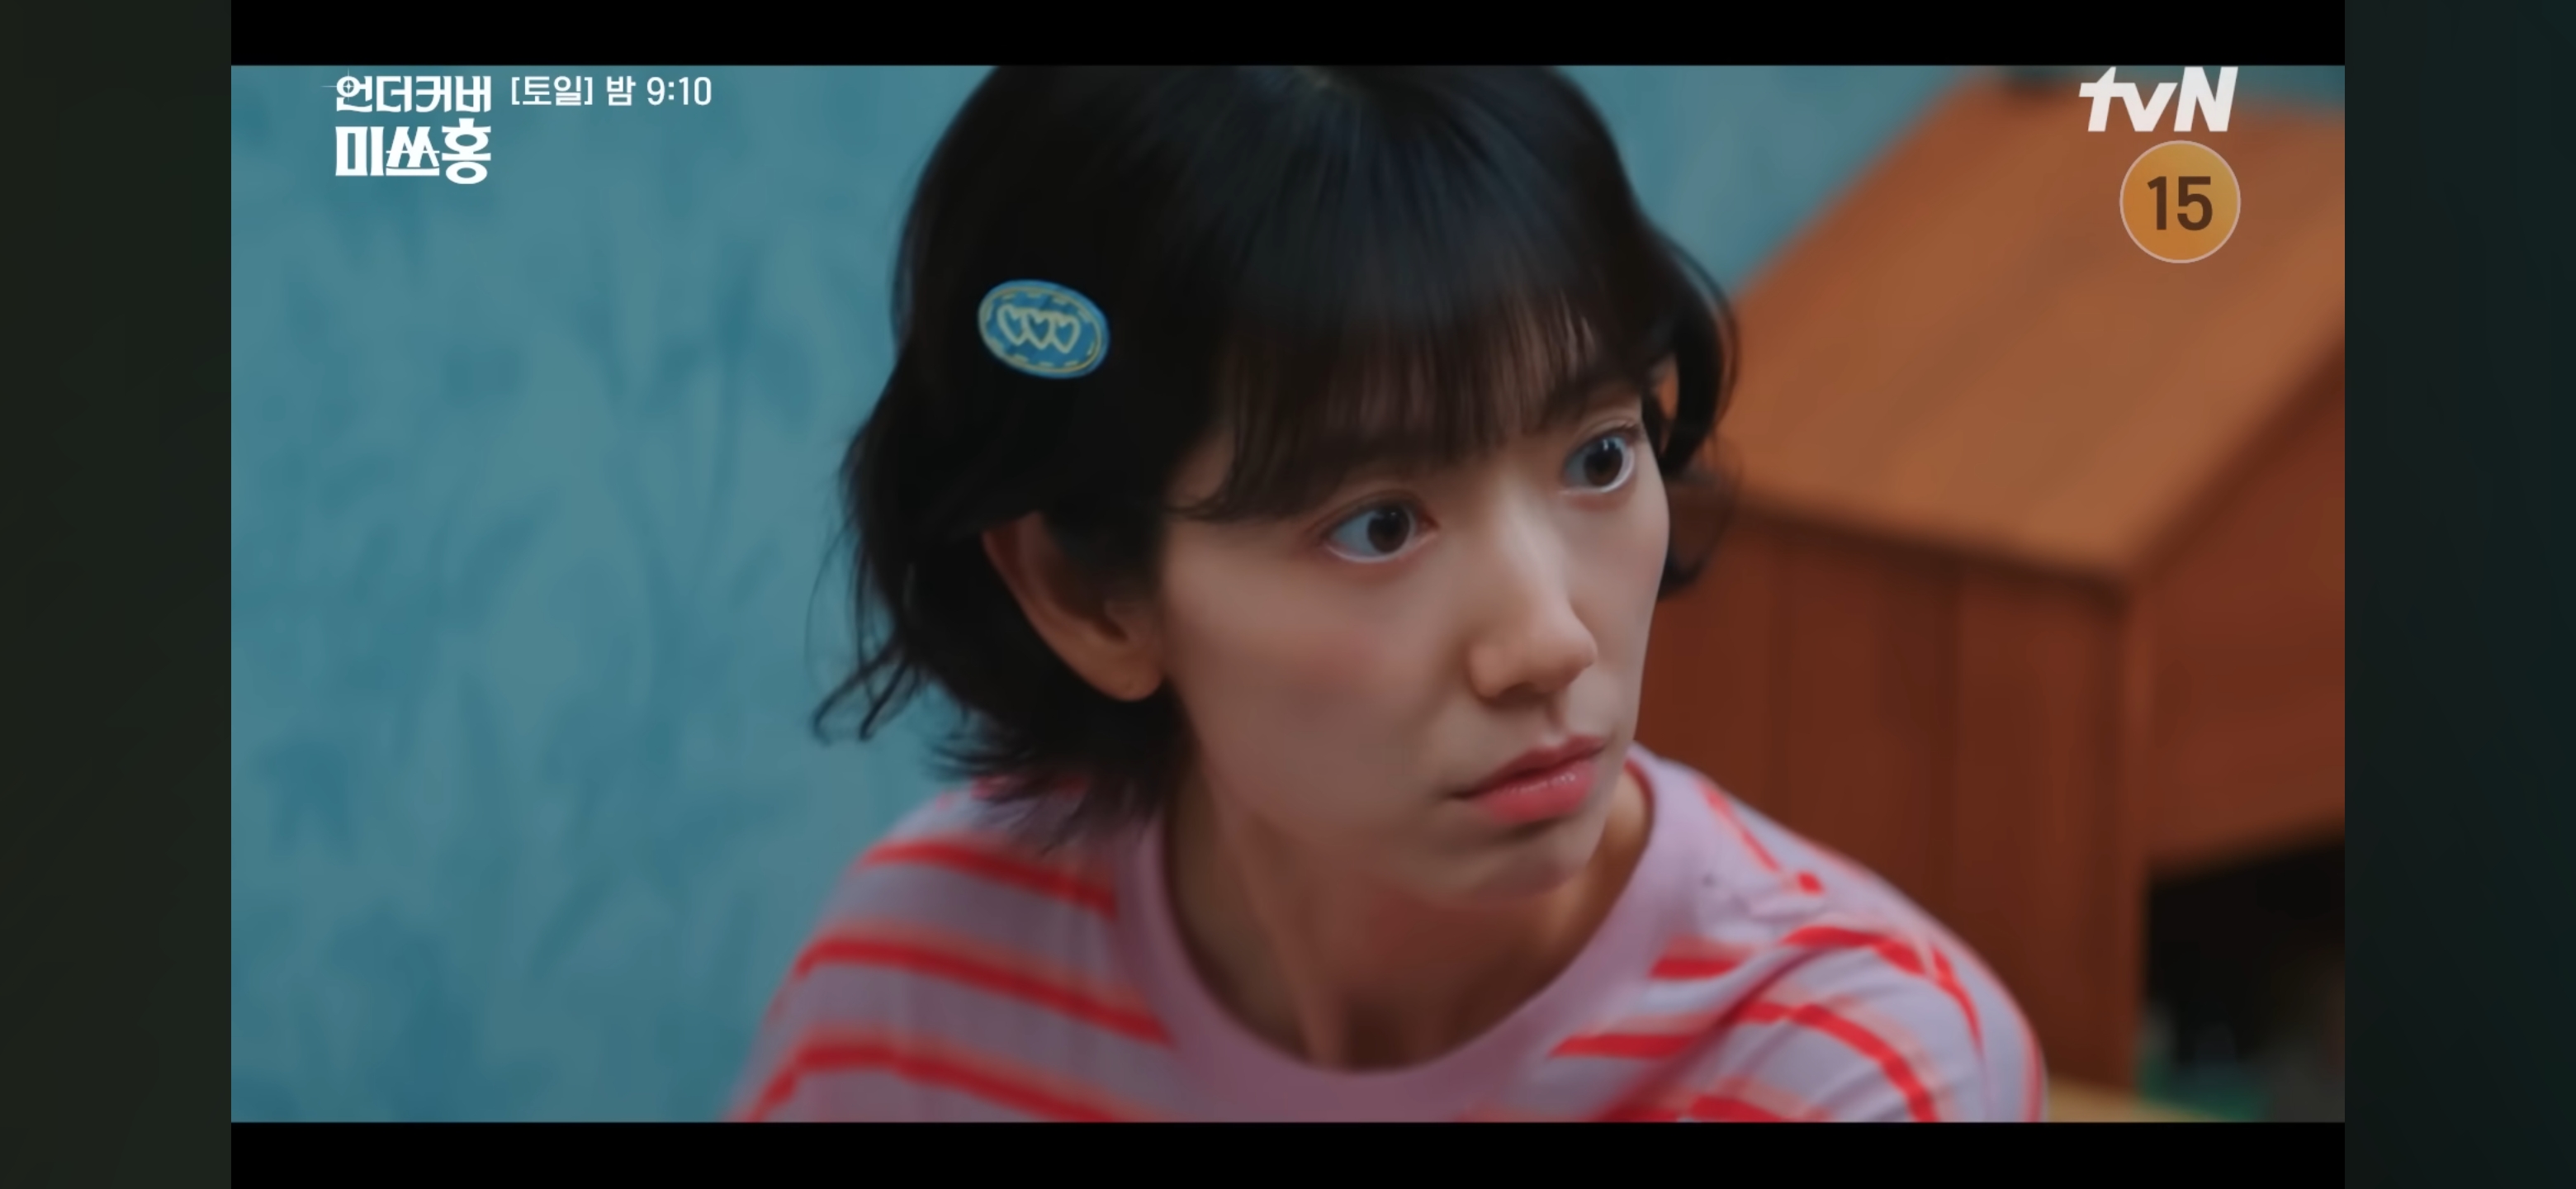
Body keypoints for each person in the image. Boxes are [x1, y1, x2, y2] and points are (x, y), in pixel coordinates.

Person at [730, 66, 2044, 1122]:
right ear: (1088, 593)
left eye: (1599, 457)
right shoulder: (914, 987)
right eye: (1378, 526)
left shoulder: (1854, 1065)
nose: (1548, 641)